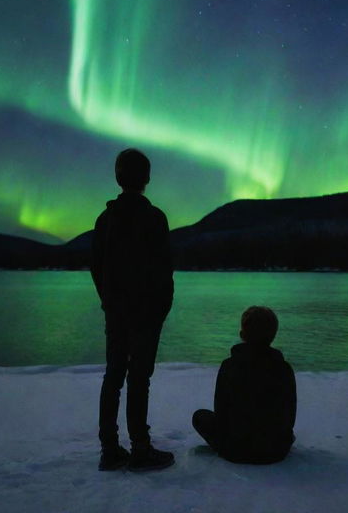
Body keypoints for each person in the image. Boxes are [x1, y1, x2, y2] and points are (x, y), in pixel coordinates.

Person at [91, 148, 174, 472]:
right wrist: (161, 307)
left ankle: (109, 449)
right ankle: (140, 448)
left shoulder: (105, 220)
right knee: (139, 378)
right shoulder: (154, 218)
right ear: (147, 179)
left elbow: (96, 266)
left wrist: (108, 300)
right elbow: (164, 269)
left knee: (114, 375)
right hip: (145, 312)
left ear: (118, 177)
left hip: (117, 310)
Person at [192, 306, 296, 464]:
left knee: (200, 417)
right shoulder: (284, 368)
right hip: (276, 451)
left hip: (235, 450)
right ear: (273, 336)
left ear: (242, 334)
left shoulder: (229, 366)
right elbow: (290, 415)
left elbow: (221, 412)